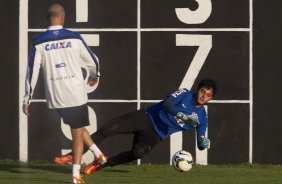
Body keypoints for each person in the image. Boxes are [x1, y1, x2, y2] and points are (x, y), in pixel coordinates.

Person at [54, 79, 217, 175]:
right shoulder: (184, 93)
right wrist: (181, 115)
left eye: (208, 95)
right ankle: (73, 155)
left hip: (156, 135)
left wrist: (203, 143)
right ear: (198, 90)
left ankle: (102, 163)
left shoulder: (202, 117)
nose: (204, 96)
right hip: (145, 117)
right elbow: (167, 103)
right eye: (203, 91)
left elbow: (201, 141)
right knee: (109, 128)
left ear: (211, 98)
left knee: (138, 153)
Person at [22, 4, 106, 184]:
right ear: (63, 17)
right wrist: (94, 76)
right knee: (77, 133)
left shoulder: (39, 41)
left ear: (48, 19)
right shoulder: (74, 37)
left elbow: (32, 72)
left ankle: (99, 156)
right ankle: (76, 175)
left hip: (56, 97)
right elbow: (93, 60)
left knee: (77, 127)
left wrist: (27, 98)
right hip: (75, 93)